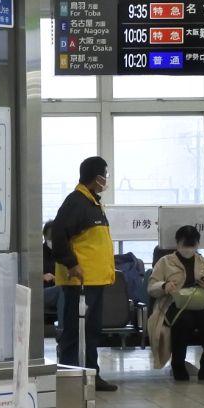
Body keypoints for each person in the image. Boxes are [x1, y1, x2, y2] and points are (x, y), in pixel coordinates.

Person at [48, 155, 118, 391]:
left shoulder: (92, 203)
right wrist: (71, 264)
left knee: (90, 331)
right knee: (75, 330)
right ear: (96, 177)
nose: (106, 180)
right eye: (105, 175)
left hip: (94, 281)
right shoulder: (76, 202)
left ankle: (90, 375)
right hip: (80, 281)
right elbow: (57, 235)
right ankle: (69, 376)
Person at [147, 226, 204, 381]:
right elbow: (152, 287)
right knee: (183, 321)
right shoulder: (165, 262)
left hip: (201, 302)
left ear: (197, 245)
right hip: (174, 303)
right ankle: (178, 366)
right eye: (185, 245)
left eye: (192, 245)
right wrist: (164, 286)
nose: (188, 249)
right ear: (177, 244)